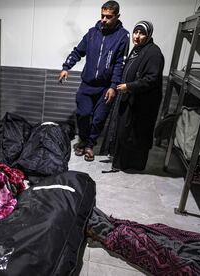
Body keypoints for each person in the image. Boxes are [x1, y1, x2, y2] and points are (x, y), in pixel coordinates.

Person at [59, 1, 129, 162]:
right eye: (102, 16)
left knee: (98, 119)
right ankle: (83, 140)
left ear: (117, 16)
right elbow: (78, 51)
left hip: (105, 88)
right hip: (87, 85)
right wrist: (66, 67)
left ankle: (90, 145)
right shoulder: (92, 33)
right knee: (83, 114)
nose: (104, 19)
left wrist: (113, 86)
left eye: (109, 17)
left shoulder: (122, 36)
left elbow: (119, 63)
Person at [110, 20, 165, 171]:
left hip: (142, 103)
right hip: (131, 98)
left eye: (142, 33)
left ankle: (132, 165)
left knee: (135, 133)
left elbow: (151, 79)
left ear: (149, 35)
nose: (137, 36)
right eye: (136, 32)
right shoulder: (137, 50)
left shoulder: (154, 53)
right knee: (125, 131)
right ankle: (122, 163)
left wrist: (129, 86)